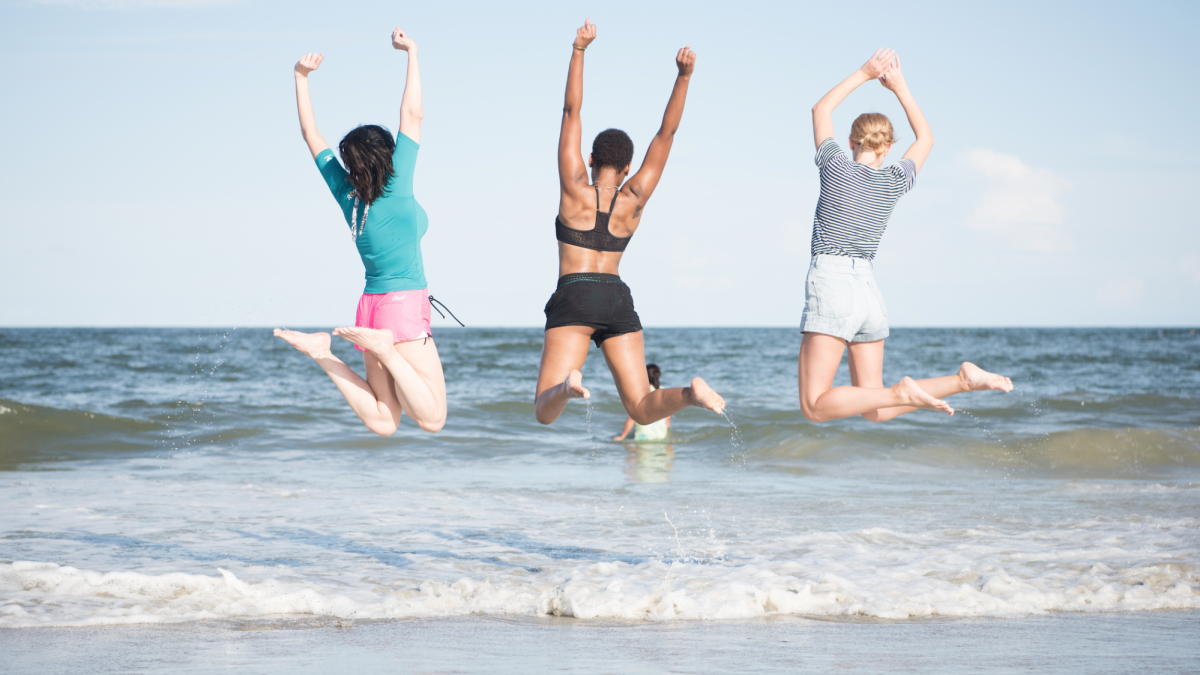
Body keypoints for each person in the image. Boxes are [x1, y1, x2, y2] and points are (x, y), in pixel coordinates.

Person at [799, 49, 1013, 423]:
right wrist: (898, 86)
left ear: (851, 143)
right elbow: (927, 138)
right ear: (889, 147)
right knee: (877, 410)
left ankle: (901, 390)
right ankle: (962, 380)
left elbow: (820, 110)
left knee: (815, 406)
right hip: (868, 291)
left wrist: (865, 73)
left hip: (832, 283)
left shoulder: (834, 166)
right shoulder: (895, 182)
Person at [534, 18, 725, 428]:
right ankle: (691, 394)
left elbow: (571, 111)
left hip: (575, 293)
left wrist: (579, 50)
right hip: (617, 297)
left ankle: (567, 389)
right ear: (626, 168)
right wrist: (684, 76)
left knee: (544, 412)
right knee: (640, 408)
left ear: (591, 159)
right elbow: (666, 135)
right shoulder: (635, 198)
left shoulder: (573, 189)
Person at [274, 28, 448, 436]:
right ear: (388, 153)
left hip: (370, 307)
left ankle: (323, 354)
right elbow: (413, 114)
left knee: (386, 423)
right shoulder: (397, 181)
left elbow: (311, 137)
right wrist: (412, 53)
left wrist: (300, 77)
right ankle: (385, 350)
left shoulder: (345, 192)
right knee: (433, 420)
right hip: (401, 309)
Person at [612, 364, 671, 441]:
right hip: (661, 436)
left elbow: (632, 417)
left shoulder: (641, 393)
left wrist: (622, 436)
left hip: (643, 437)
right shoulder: (664, 391)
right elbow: (668, 418)